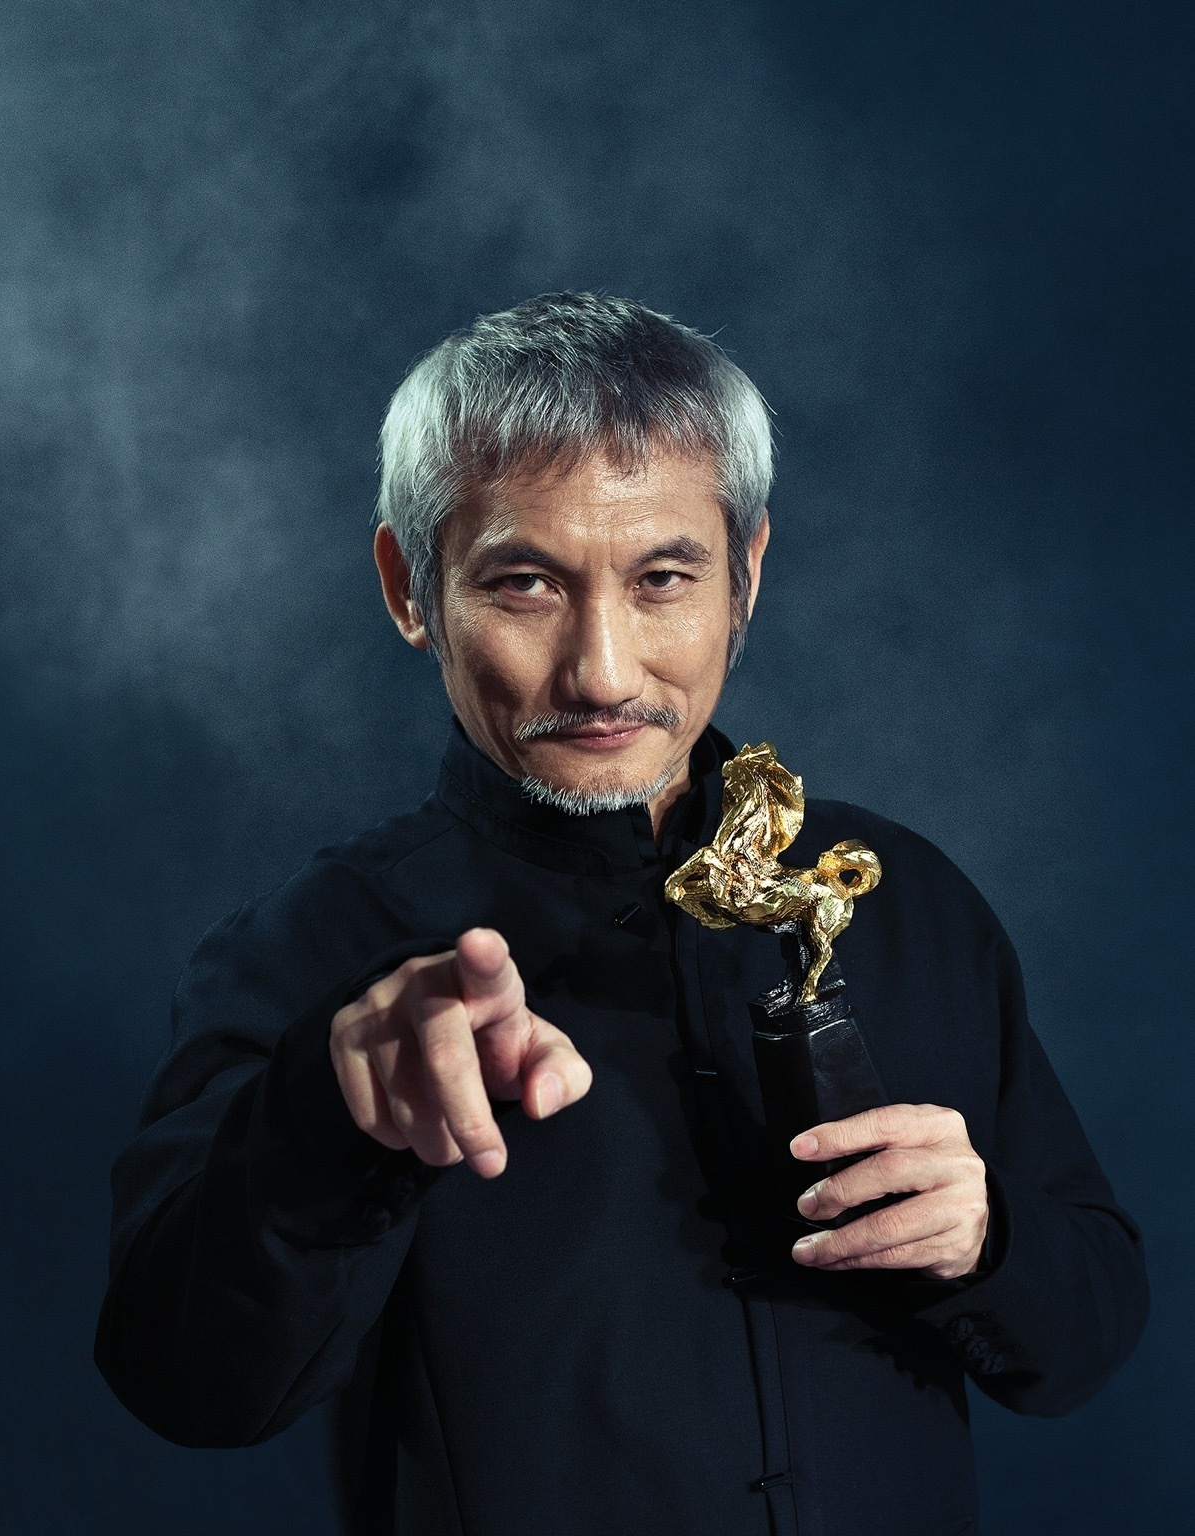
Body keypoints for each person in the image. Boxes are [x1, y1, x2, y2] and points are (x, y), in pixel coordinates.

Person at [96, 292, 1147, 1536]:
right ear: (408, 587)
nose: (601, 671)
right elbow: (186, 1386)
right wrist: (324, 1121)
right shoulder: (303, 955)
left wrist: (988, 1237)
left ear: (744, 574)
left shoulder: (899, 894)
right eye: (524, 583)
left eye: (660, 579)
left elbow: (1083, 1340)